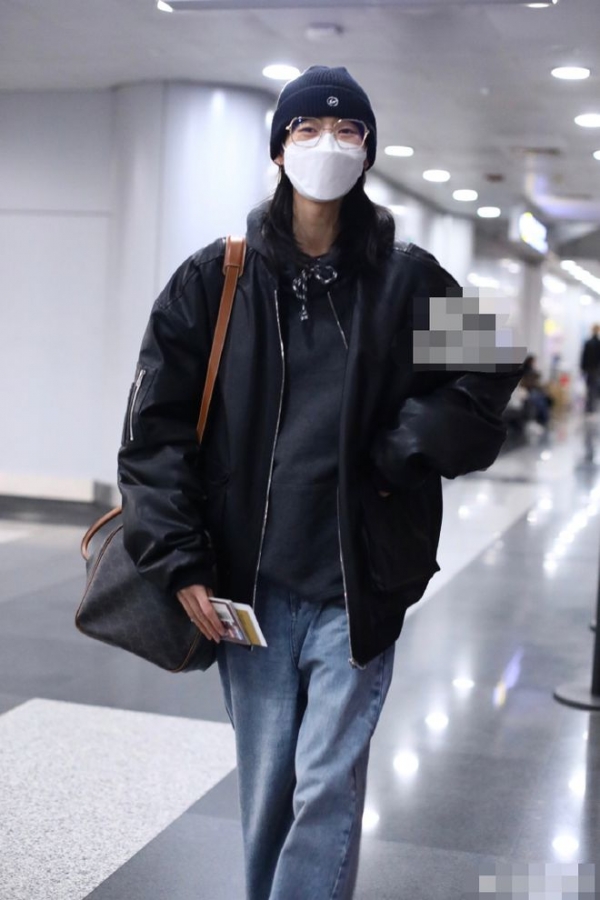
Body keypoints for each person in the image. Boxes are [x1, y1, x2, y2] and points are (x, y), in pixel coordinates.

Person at [117, 66, 523, 900]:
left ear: (368, 152)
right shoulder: (217, 281)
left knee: (327, 785)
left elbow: (490, 366)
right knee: (270, 792)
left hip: (356, 582)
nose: (326, 144)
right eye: (306, 129)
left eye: (346, 131)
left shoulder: (404, 282)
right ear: (278, 149)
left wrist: (405, 447)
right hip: (252, 589)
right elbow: (154, 432)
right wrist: (180, 560)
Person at [581, 324, 600, 413]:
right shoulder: (596, 343)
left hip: (590, 368)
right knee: (593, 387)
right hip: (594, 368)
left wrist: (583, 367)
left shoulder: (588, 342)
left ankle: (589, 406)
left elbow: (584, 357)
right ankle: (591, 406)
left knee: (590, 387)